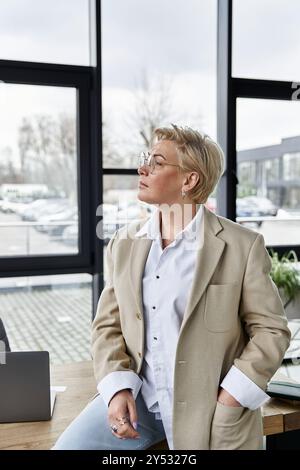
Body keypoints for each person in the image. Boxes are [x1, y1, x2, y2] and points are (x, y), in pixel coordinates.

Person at [53, 124, 290, 450]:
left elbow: (271, 330)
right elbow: (108, 326)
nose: (142, 167)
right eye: (145, 158)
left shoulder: (242, 246)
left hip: (211, 409)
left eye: (157, 162)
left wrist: (232, 397)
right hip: (140, 403)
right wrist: (117, 388)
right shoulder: (125, 243)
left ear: (189, 180)